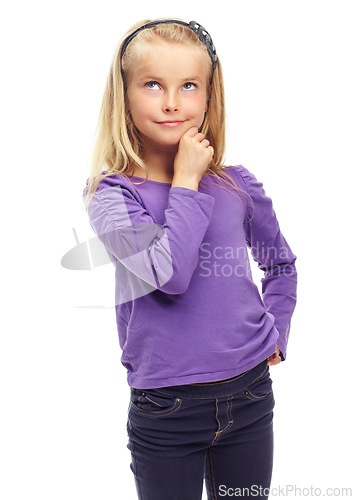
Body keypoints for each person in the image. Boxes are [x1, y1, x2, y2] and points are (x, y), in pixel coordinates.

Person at [82, 18, 298, 500]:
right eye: (153, 84)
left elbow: (280, 264)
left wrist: (276, 335)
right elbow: (170, 274)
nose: (173, 102)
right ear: (125, 94)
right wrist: (186, 180)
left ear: (208, 95)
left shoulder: (237, 184)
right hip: (166, 410)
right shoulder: (112, 196)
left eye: (189, 86)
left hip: (249, 395)